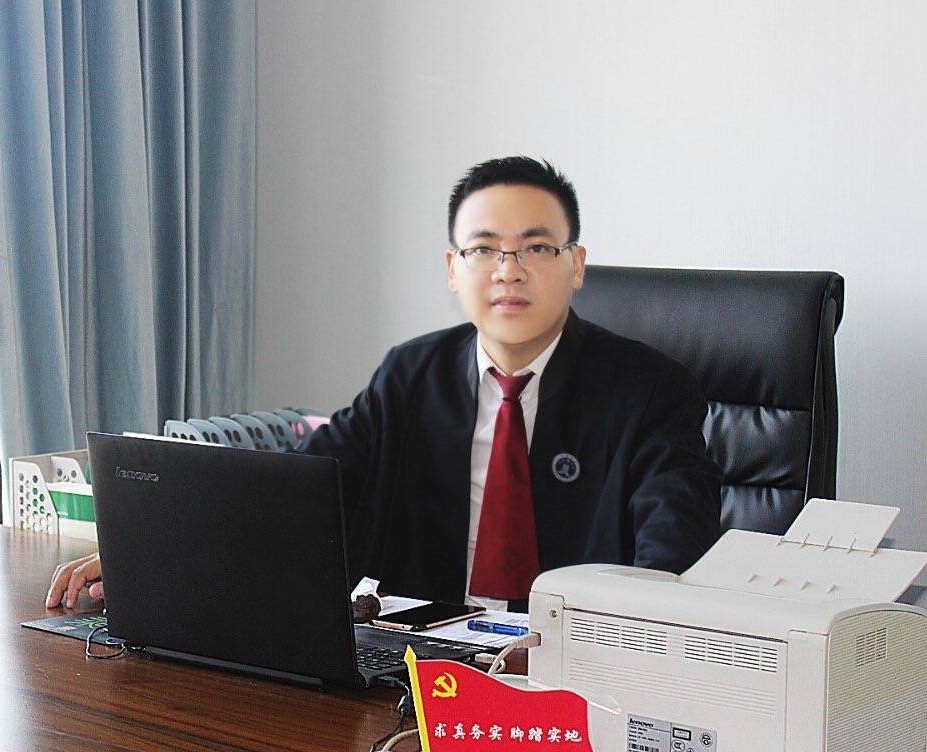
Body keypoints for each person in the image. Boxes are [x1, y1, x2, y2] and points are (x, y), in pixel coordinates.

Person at [47, 157, 721, 613]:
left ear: (575, 266)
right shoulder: (413, 374)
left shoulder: (650, 391)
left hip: (577, 675)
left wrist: (587, 645)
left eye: (536, 248)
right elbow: (299, 492)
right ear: (453, 269)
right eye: (484, 248)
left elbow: (672, 558)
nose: (508, 270)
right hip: (422, 667)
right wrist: (152, 555)